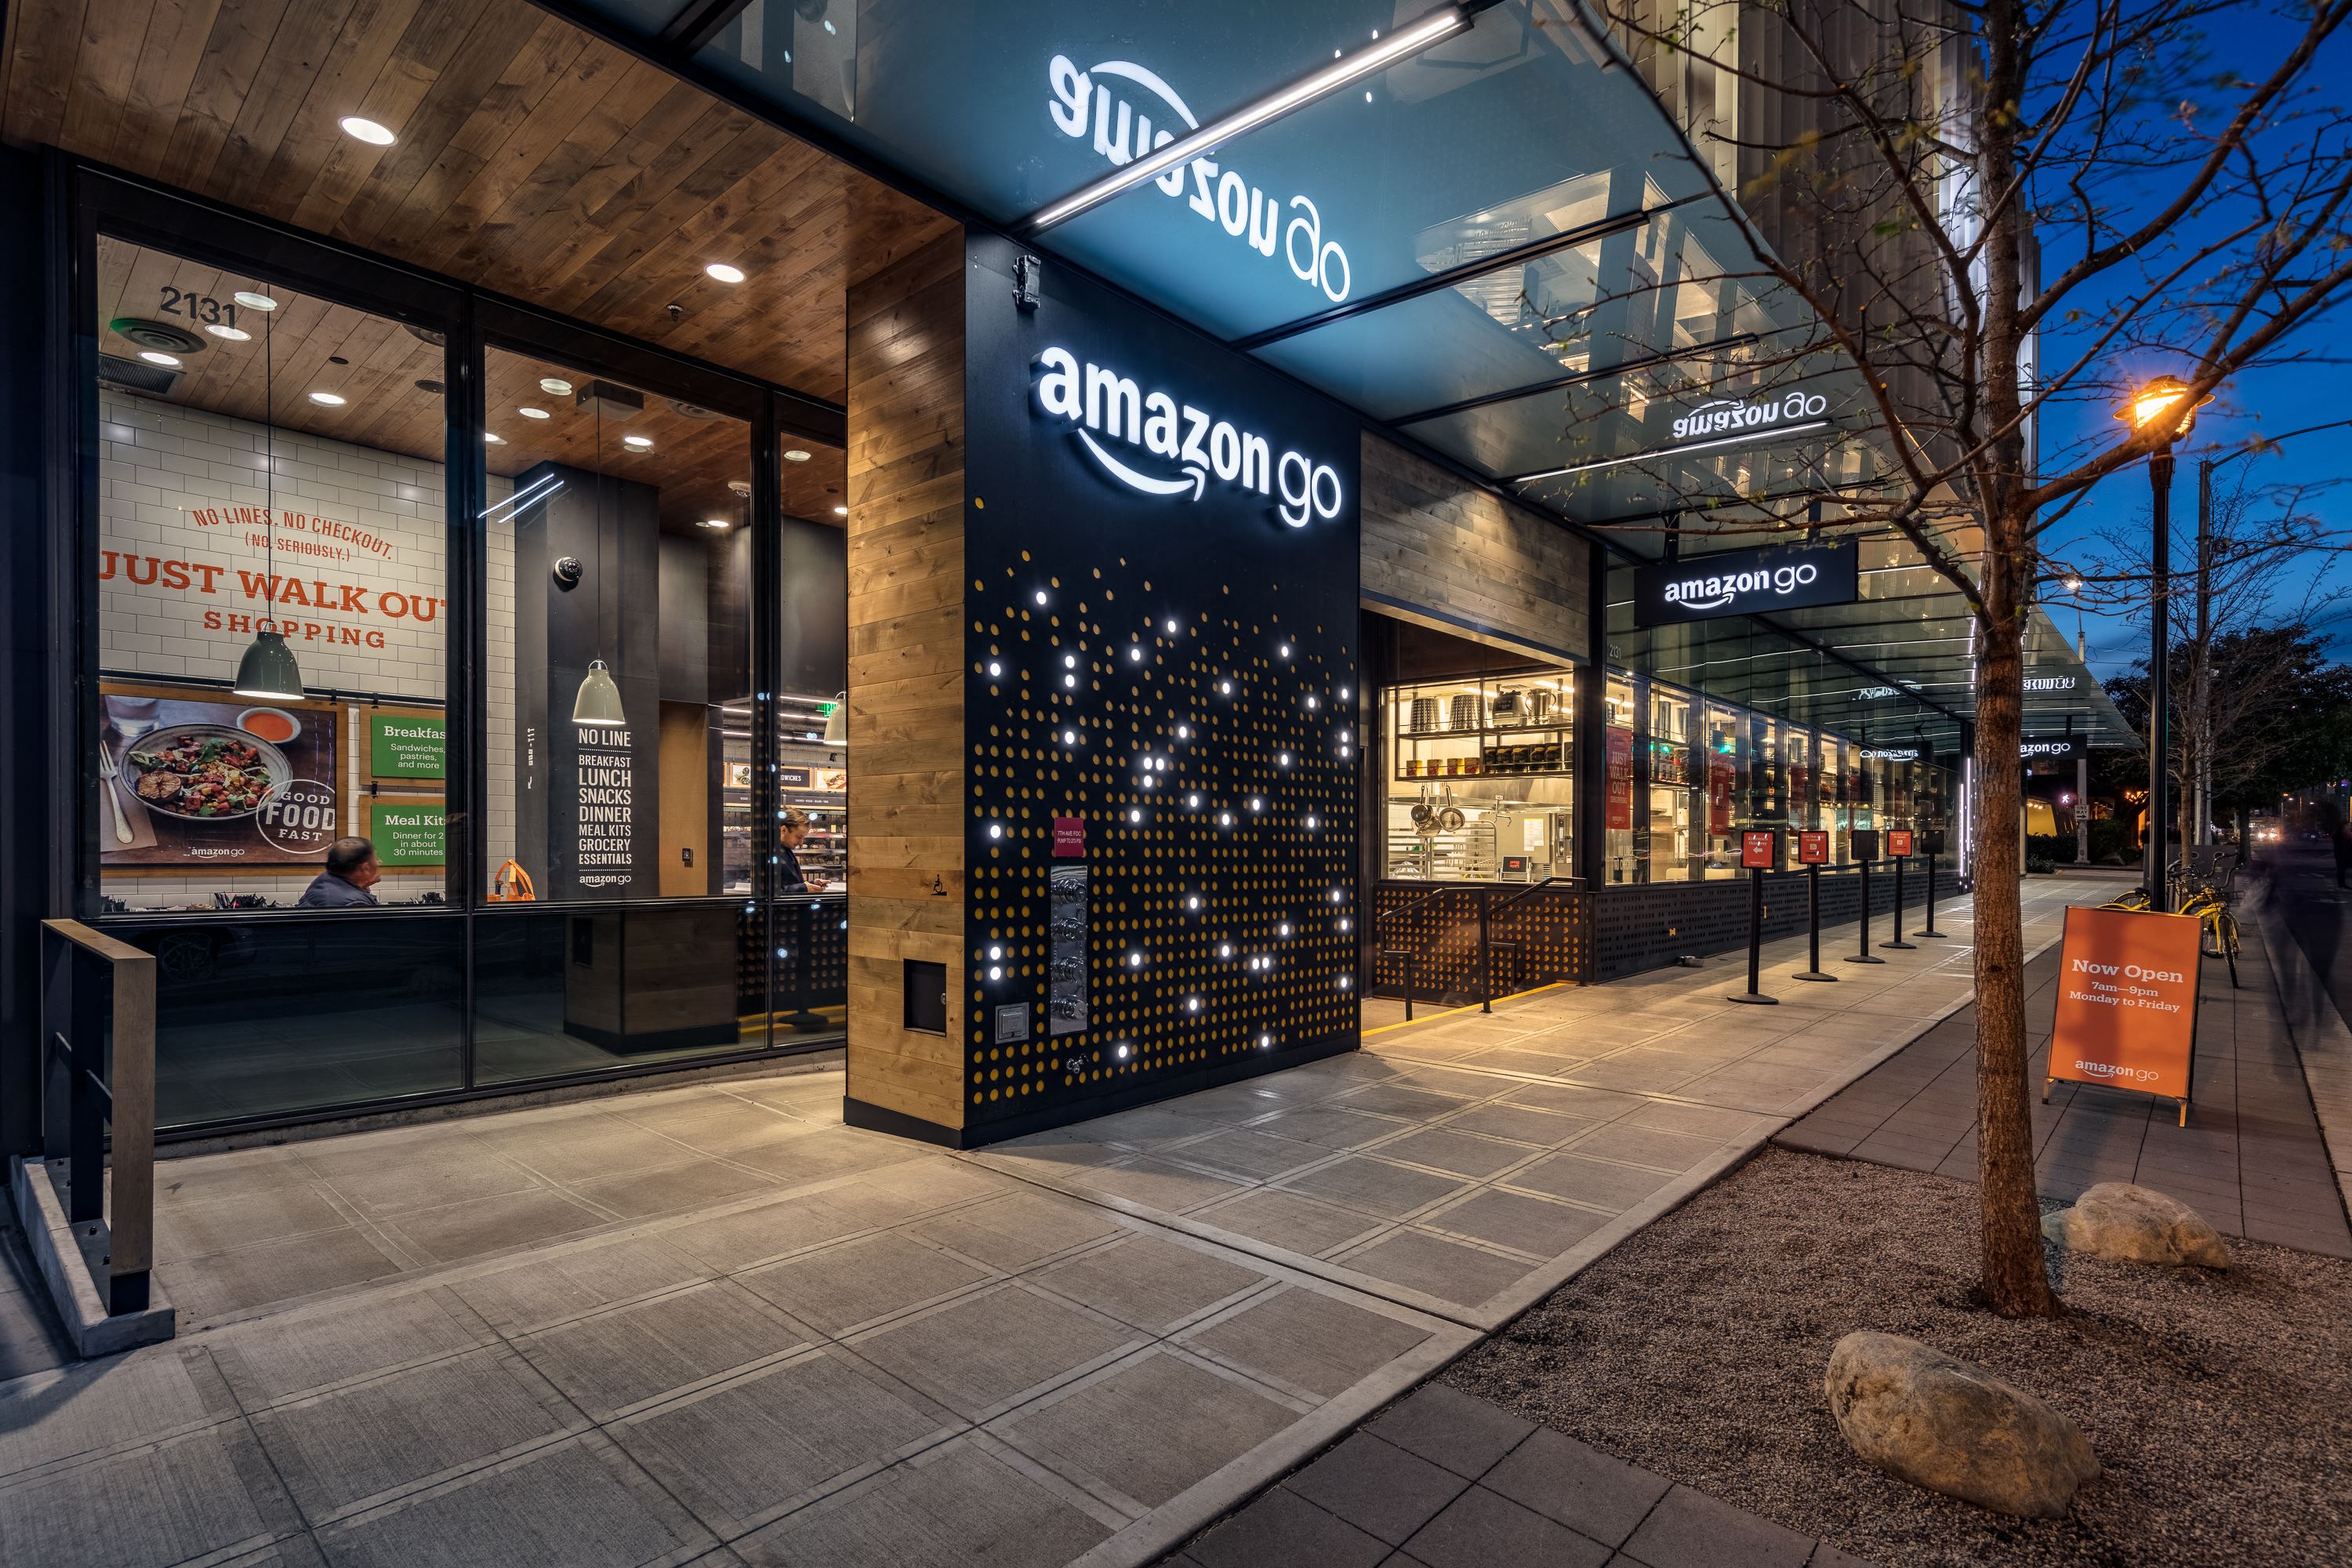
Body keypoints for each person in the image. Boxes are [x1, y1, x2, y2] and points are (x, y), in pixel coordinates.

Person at [298, 837, 383, 908]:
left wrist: (362, 887)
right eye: (376, 858)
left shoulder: (324, 880)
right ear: (364, 868)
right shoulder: (354, 904)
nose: (379, 862)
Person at [777, 808, 811, 893]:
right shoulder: (769, 853)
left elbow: (790, 883)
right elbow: (771, 894)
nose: (801, 843)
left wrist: (811, 885)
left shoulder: (785, 849)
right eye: (799, 837)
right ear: (784, 830)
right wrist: (804, 888)